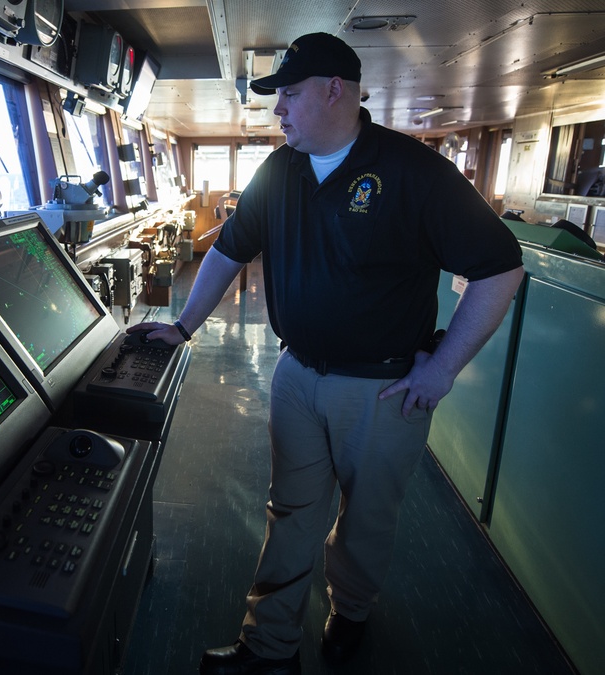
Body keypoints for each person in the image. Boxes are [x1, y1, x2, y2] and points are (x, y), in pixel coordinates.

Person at [127, 32, 525, 675]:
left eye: (288, 94)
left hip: (383, 388)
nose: (276, 110)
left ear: (334, 89)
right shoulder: (278, 170)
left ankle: (352, 612)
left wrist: (444, 367)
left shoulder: (412, 171)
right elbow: (230, 247)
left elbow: (501, 269)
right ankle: (270, 645)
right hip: (295, 373)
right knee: (289, 511)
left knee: (366, 520)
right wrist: (184, 326)